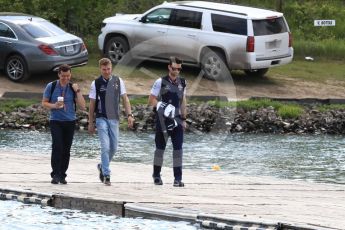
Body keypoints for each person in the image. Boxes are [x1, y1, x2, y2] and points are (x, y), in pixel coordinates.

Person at [88, 58, 134, 186]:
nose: (107, 72)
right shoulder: (95, 83)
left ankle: (102, 166)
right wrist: (90, 122)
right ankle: (106, 174)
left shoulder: (118, 81)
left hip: (114, 118)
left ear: (111, 68)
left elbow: (125, 99)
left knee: (113, 147)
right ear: (100, 69)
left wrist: (129, 115)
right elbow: (92, 104)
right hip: (101, 118)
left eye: (108, 69)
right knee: (105, 146)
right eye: (104, 69)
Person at [42, 64, 86, 184]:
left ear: (70, 75)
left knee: (66, 149)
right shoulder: (51, 86)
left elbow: (83, 106)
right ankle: (55, 174)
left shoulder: (72, 87)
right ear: (59, 75)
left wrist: (78, 90)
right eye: (63, 76)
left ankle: (63, 175)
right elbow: (44, 103)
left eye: (68, 76)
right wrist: (54, 105)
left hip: (70, 121)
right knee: (57, 146)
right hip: (56, 121)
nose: (65, 78)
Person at [149, 56, 187, 187]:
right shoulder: (160, 82)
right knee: (160, 149)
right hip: (163, 121)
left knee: (178, 149)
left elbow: (183, 101)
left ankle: (177, 179)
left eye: (179, 69)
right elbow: (151, 100)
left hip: (177, 121)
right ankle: (156, 175)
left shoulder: (183, 83)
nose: (177, 71)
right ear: (169, 67)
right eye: (175, 68)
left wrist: (184, 119)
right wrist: (163, 107)